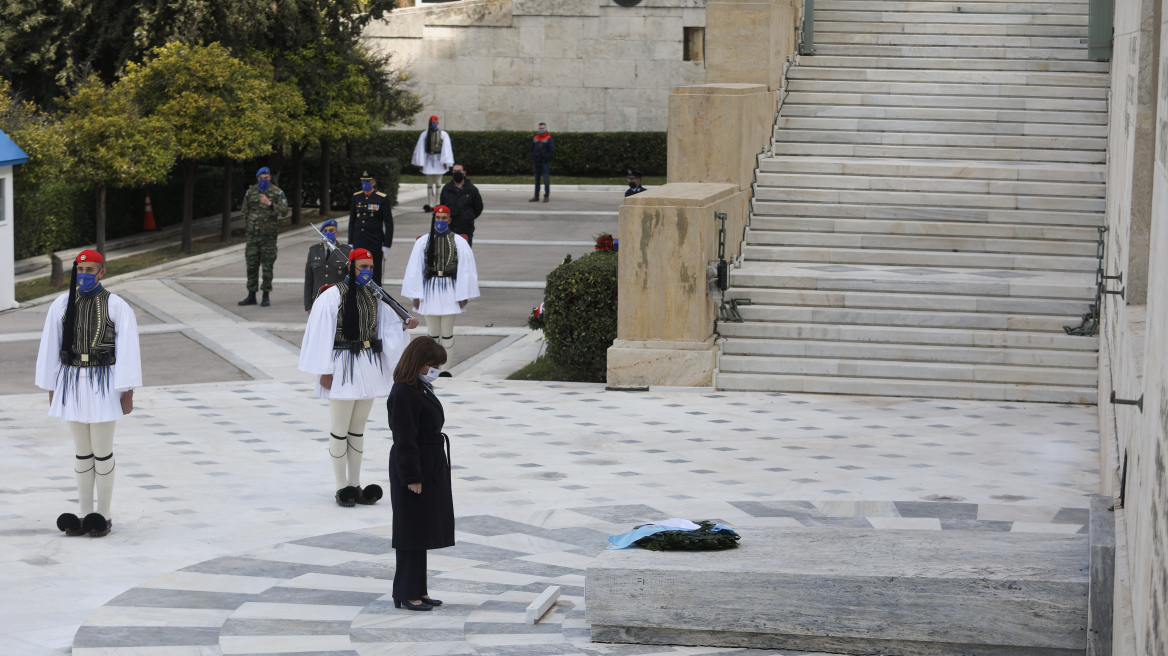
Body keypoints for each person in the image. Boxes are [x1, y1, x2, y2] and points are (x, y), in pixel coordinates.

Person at [299, 248, 419, 507]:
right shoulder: (331, 296)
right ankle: (340, 486)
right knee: (340, 429)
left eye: (371, 267)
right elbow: (322, 332)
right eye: (363, 267)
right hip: (341, 364)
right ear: (350, 267)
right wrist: (325, 370)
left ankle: (355, 484)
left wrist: (403, 326)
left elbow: (385, 327)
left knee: (358, 429)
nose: (368, 272)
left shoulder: (374, 297)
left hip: (367, 364)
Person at [36, 250, 142, 538]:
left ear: (101, 272)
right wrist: (52, 387)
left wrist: (128, 391)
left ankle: (103, 515)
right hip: (71, 381)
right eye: (80, 269)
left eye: (90, 269)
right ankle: (84, 515)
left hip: (104, 382)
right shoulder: (61, 303)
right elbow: (50, 346)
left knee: (102, 451)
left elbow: (128, 350)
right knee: (82, 452)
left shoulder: (116, 305)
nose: (84, 274)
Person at [387, 337, 454, 610]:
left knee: (421, 528)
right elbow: (404, 438)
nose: (435, 370)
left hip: (430, 462)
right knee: (410, 530)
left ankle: (419, 589)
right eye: (432, 365)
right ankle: (405, 592)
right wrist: (412, 477)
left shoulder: (420, 388)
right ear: (417, 362)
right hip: (414, 466)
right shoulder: (403, 392)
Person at [401, 206, 480, 368]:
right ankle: (433, 367)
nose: (441, 221)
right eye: (438, 218)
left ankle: (445, 369)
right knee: (432, 334)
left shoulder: (459, 242)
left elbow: (466, 270)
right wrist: (416, 295)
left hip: (450, 289)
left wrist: (463, 295)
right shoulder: (423, 241)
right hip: (430, 289)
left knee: (447, 332)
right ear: (434, 219)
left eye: (444, 218)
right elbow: (415, 269)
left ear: (449, 220)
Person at [239, 167, 291, 307]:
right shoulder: (250, 192)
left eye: (266, 178)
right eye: (261, 178)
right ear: (257, 178)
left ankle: (265, 295)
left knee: (267, 267)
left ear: (270, 178)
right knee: (251, 266)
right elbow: (245, 211)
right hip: (253, 237)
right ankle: (251, 295)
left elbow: (284, 211)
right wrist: (251, 226)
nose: (264, 180)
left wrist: (270, 204)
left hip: (268, 237)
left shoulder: (277, 192)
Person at [348, 170, 394, 286]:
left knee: (375, 271)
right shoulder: (356, 197)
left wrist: (386, 244)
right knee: (357, 269)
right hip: (359, 240)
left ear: (373, 182)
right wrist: (351, 242)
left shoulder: (381, 198)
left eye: (368, 181)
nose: (365, 184)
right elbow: (352, 221)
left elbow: (389, 223)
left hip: (374, 241)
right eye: (363, 181)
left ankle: (375, 293)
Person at [304, 219, 352, 312]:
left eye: (331, 231)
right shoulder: (314, 250)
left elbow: (350, 279)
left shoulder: (345, 251)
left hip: (338, 299)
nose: (328, 233)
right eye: (325, 231)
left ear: (337, 233)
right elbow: (309, 280)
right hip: (318, 299)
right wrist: (308, 306)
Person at [411, 116, 454, 212]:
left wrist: (445, 161)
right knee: (429, 184)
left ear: (438, 123)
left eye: (435, 122)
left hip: (438, 160)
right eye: (432, 122)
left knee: (438, 183)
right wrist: (421, 163)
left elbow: (446, 149)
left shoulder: (443, 134)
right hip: (428, 160)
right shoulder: (425, 134)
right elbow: (420, 149)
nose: (433, 124)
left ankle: (438, 203)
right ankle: (430, 204)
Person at [438, 163, 483, 247]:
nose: (456, 173)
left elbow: (478, 208)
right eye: (454, 171)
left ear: (464, 173)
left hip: (465, 229)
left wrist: (468, 217)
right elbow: (442, 206)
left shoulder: (472, 190)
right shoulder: (446, 189)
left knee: (465, 253)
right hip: (449, 228)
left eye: (459, 171)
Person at [529, 122, 555, 203]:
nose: (541, 130)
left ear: (545, 129)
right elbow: (531, 149)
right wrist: (533, 157)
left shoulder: (549, 138)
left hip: (544, 162)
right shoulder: (535, 138)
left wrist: (545, 158)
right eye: (540, 128)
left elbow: (552, 151)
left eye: (542, 128)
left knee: (546, 180)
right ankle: (536, 196)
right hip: (536, 162)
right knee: (537, 180)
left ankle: (546, 196)